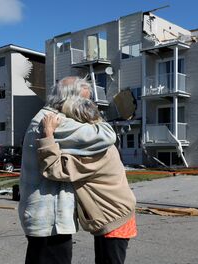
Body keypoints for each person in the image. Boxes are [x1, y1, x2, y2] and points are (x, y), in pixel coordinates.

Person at [18, 76, 116, 264]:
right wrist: (94, 114)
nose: (87, 105)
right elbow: (107, 135)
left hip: (44, 218)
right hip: (50, 222)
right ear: (70, 99)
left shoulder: (46, 117)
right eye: (85, 101)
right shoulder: (55, 121)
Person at [37, 97, 136, 264]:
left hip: (114, 219)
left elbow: (55, 169)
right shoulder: (99, 139)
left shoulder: (95, 151)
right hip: (117, 214)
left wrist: (48, 134)